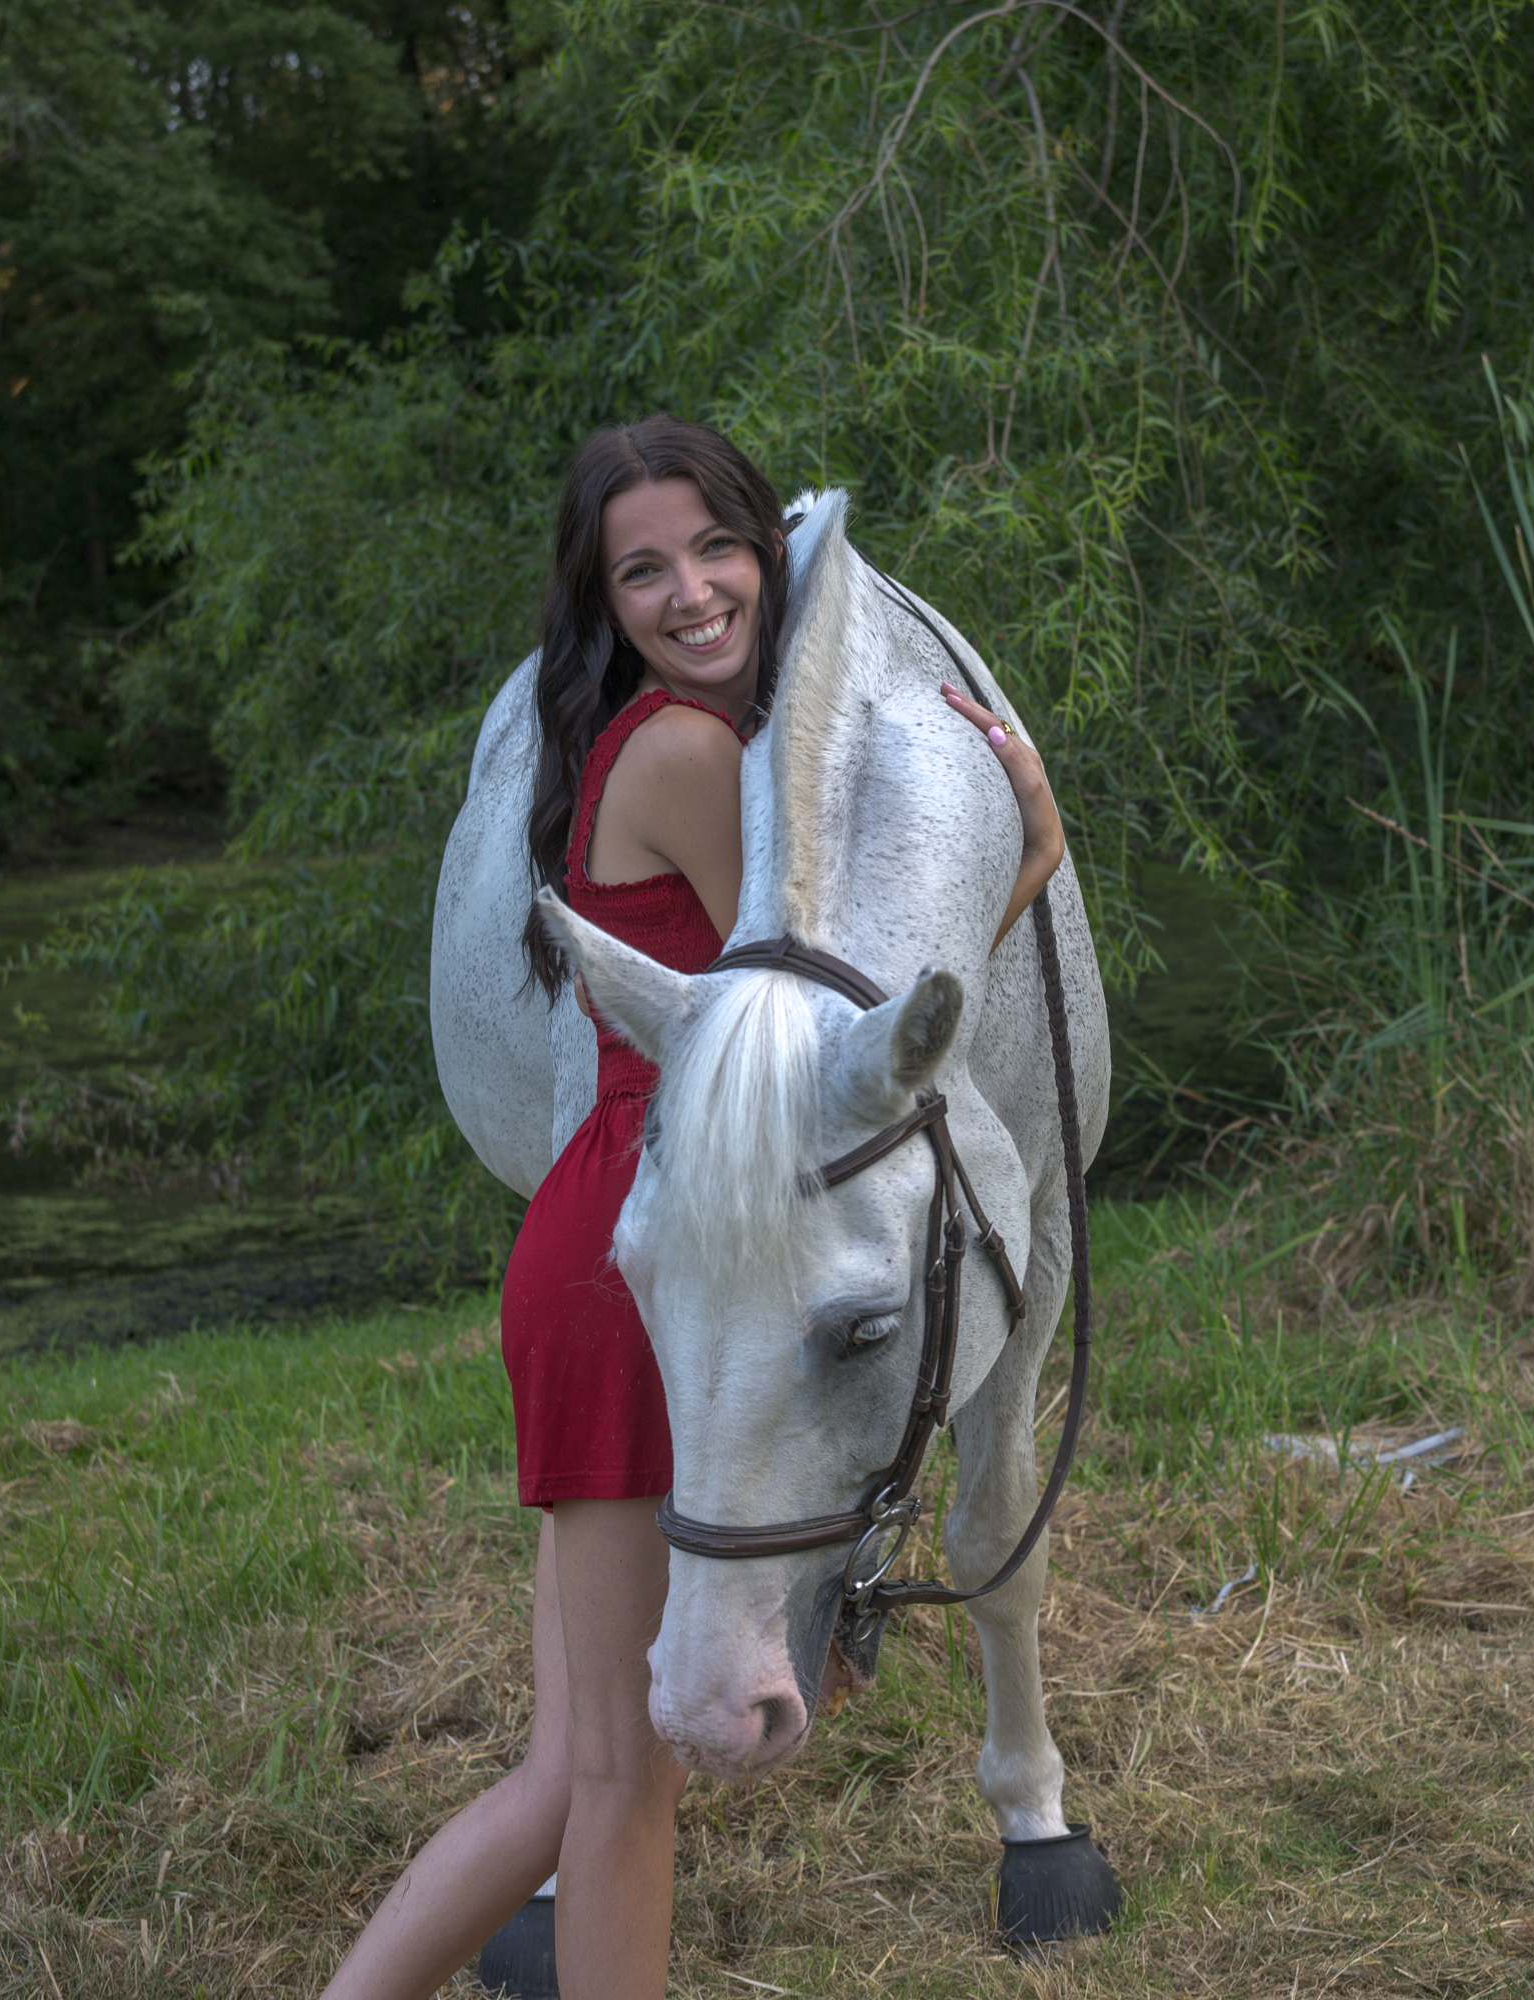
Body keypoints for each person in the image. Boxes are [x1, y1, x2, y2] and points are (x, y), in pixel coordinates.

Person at [318, 417, 1065, 2000]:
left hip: (648, 1236)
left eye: (719, 550)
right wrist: (1034, 853)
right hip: (662, 1266)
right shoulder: (688, 757)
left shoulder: (667, 742)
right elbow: (815, 1034)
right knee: (611, 1783)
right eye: (642, 570)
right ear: (603, 601)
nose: (694, 592)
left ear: (766, 554)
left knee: (583, 1772)